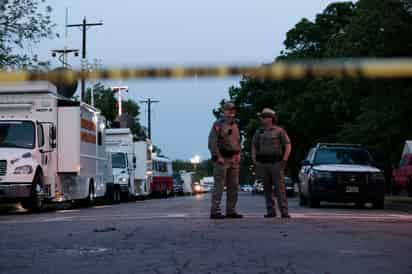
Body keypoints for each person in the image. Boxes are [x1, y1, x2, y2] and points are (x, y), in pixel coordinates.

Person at [251, 108, 292, 218]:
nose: (262, 119)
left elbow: (288, 145)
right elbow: (254, 145)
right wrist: (254, 159)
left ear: (270, 118)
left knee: (280, 188)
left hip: (276, 163)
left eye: (264, 117)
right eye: (262, 117)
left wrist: (285, 159)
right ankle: (271, 211)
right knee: (267, 189)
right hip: (263, 163)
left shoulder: (279, 131)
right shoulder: (259, 131)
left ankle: (284, 211)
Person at [208, 102, 243, 219]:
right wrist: (217, 156)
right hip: (222, 159)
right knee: (219, 186)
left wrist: (239, 154)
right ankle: (215, 211)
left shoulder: (235, 125)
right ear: (224, 111)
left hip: (233, 159)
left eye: (233, 109)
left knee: (233, 186)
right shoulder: (218, 124)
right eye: (228, 109)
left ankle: (231, 210)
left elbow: (238, 142)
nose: (231, 111)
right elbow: (212, 142)